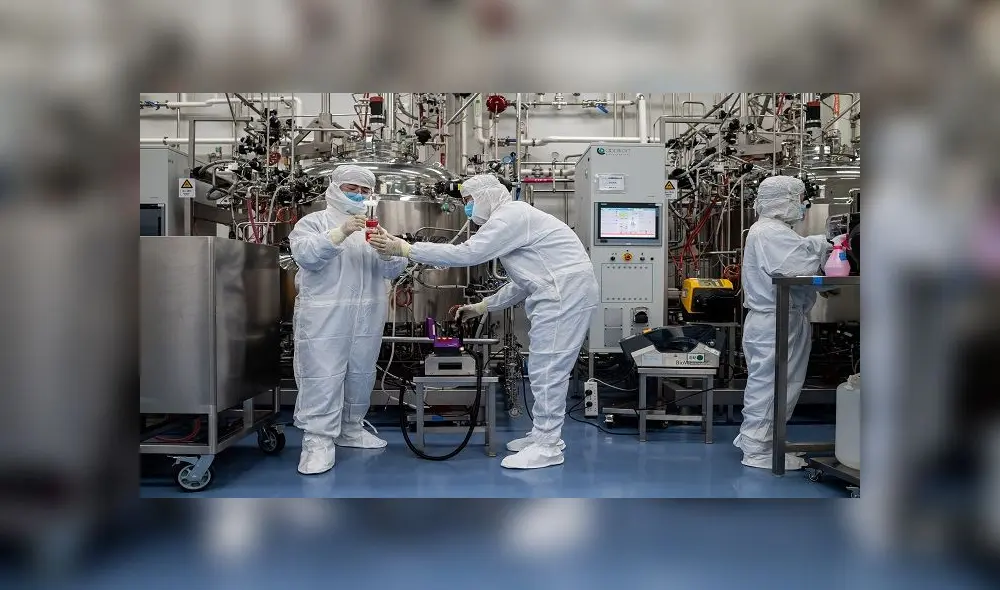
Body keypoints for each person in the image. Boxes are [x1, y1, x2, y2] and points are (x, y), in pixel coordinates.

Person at [369, 174, 599, 469]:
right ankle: (543, 435)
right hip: (562, 291)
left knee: (547, 370)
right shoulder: (513, 219)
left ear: (487, 196)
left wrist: (406, 249)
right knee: (545, 368)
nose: (467, 207)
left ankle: (548, 446)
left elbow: (469, 254)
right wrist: (482, 306)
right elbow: (524, 282)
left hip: (564, 295)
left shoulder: (511, 216)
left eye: (469, 200)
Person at [288, 165, 408, 475]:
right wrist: (340, 232)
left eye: (364, 191)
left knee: (361, 372)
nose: (358, 195)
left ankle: (351, 428)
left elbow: (393, 270)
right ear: (335, 188)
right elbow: (306, 256)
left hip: (367, 315)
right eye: (351, 189)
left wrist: (388, 252)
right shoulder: (313, 223)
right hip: (325, 315)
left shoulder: (373, 228)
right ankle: (317, 441)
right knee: (323, 375)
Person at [735, 175, 845, 470]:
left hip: (779, 319)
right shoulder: (769, 231)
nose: (803, 206)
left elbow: (798, 254)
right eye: (799, 200)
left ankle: (759, 442)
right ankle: (758, 450)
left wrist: (821, 245)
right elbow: (795, 267)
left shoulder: (773, 231)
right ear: (782, 201)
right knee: (773, 386)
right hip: (776, 321)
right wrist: (830, 248)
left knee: (775, 385)